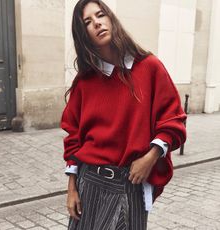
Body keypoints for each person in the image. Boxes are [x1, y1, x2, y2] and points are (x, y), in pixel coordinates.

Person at [61, 0, 187, 229]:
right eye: (88, 22)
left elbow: (173, 120)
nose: (97, 23)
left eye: (100, 15)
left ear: (111, 18)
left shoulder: (149, 67)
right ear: (84, 34)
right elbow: (73, 137)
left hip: (132, 182)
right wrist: (72, 187)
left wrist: (151, 157)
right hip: (90, 182)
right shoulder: (85, 82)